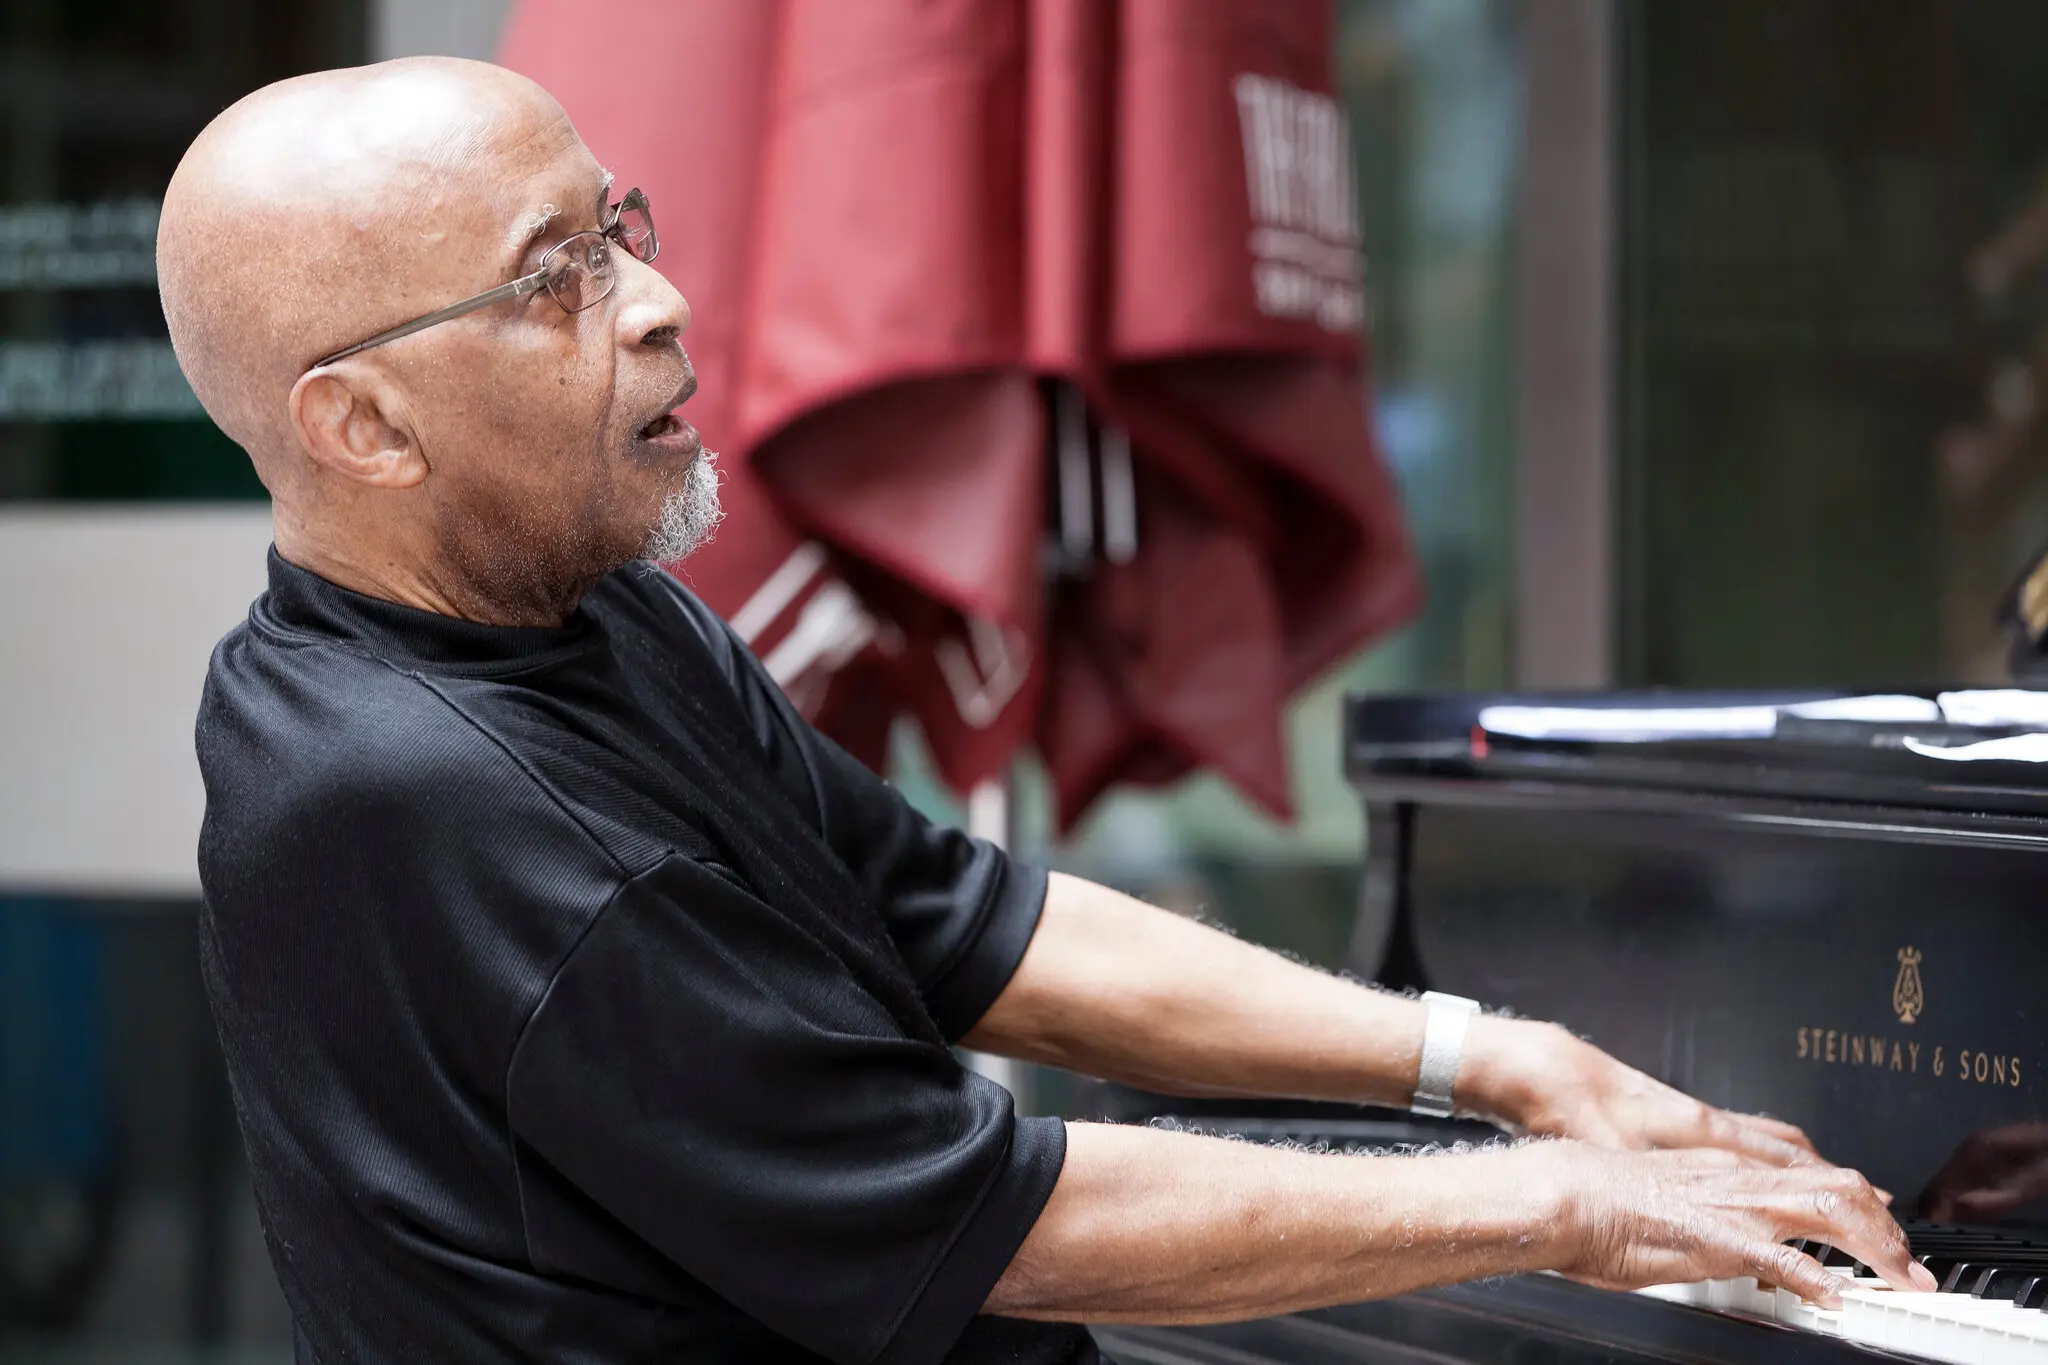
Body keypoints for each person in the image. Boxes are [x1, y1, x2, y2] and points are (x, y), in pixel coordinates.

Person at [163, 57, 1931, 1365]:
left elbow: (956, 918)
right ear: (364, 430)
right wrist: (1565, 1197)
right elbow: (990, 1216)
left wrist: (1488, 1059)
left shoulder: (566, 612)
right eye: (558, 280)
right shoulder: (423, 797)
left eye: (621, 226)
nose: (661, 302)